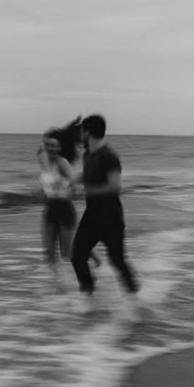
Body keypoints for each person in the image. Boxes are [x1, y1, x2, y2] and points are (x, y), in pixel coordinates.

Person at [71, 114, 141, 313]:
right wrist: (73, 181)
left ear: (88, 132)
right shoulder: (88, 154)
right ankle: (88, 298)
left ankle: (135, 301)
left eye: (82, 131)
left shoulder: (109, 155)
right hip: (92, 215)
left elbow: (116, 186)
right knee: (77, 256)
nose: (80, 136)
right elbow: (87, 174)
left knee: (117, 261)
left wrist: (86, 191)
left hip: (110, 217)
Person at [37, 116, 100, 290]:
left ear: (60, 148)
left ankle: (89, 268)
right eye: (48, 144)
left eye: (54, 145)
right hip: (49, 209)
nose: (50, 148)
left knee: (67, 253)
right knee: (49, 254)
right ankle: (60, 286)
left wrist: (70, 188)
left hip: (64, 209)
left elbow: (75, 180)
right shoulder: (42, 157)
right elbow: (45, 146)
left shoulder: (62, 163)